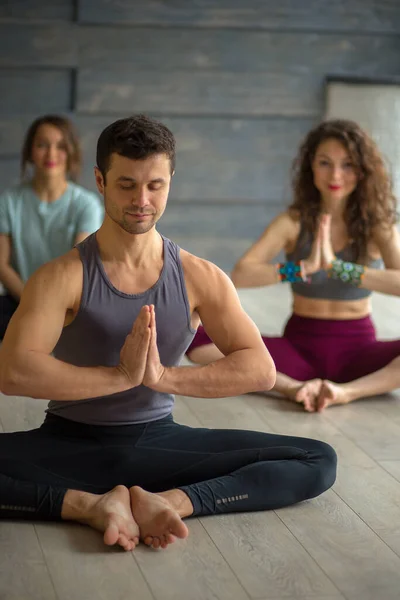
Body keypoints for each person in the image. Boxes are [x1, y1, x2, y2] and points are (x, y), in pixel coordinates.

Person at [0, 115, 336, 552]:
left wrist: (162, 378)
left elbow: (260, 370)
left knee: (318, 459)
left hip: (159, 443)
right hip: (67, 443)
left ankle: (169, 502)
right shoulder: (61, 276)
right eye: (126, 184)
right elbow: (12, 372)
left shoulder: (200, 276)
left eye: (155, 185)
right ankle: (88, 506)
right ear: (100, 181)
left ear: (170, 181)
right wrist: (119, 376)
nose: (141, 199)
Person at [187, 119, 400, 413]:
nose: (336, 174)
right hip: (299, 348)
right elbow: (242, 274)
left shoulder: (378, 226)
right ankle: (290, 388)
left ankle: (346, 393)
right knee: (194, 340)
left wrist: (341, 269)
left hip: (358, 350)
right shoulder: (294, 221)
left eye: (348, 164)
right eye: (325, 163)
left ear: (362, 170)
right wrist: (299, 269)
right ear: (311, 167)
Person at [0, 114, 104, 338]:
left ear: (71, 152)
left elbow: (77, 266)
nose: (51, 154)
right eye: (42, 145)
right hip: (19, 297)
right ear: (30, 151)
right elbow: (2, 265)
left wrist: (49, 307)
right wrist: (30, 301)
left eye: (60, 146)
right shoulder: (8, 201)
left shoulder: (86, 205)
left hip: (66, 302)